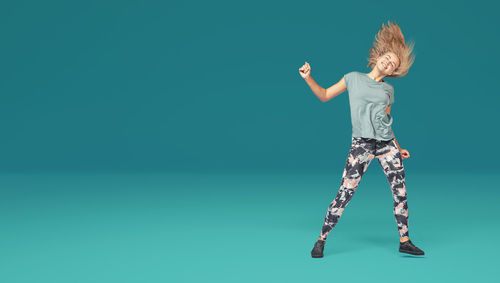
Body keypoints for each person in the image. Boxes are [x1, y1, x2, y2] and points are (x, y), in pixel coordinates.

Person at [298, 21, 424, 258]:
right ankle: (321, 239)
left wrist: (398, 146)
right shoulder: (353, 78)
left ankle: (404, 240)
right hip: (362, 145)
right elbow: (324, 95)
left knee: (400, 192)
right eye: (387, 58)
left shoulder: (388, 91)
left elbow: (386, 121)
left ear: (392, 72)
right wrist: (308, 78)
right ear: (379, 56)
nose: (388, 63)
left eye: (393, 65)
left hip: (386, 145)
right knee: (345, 191)